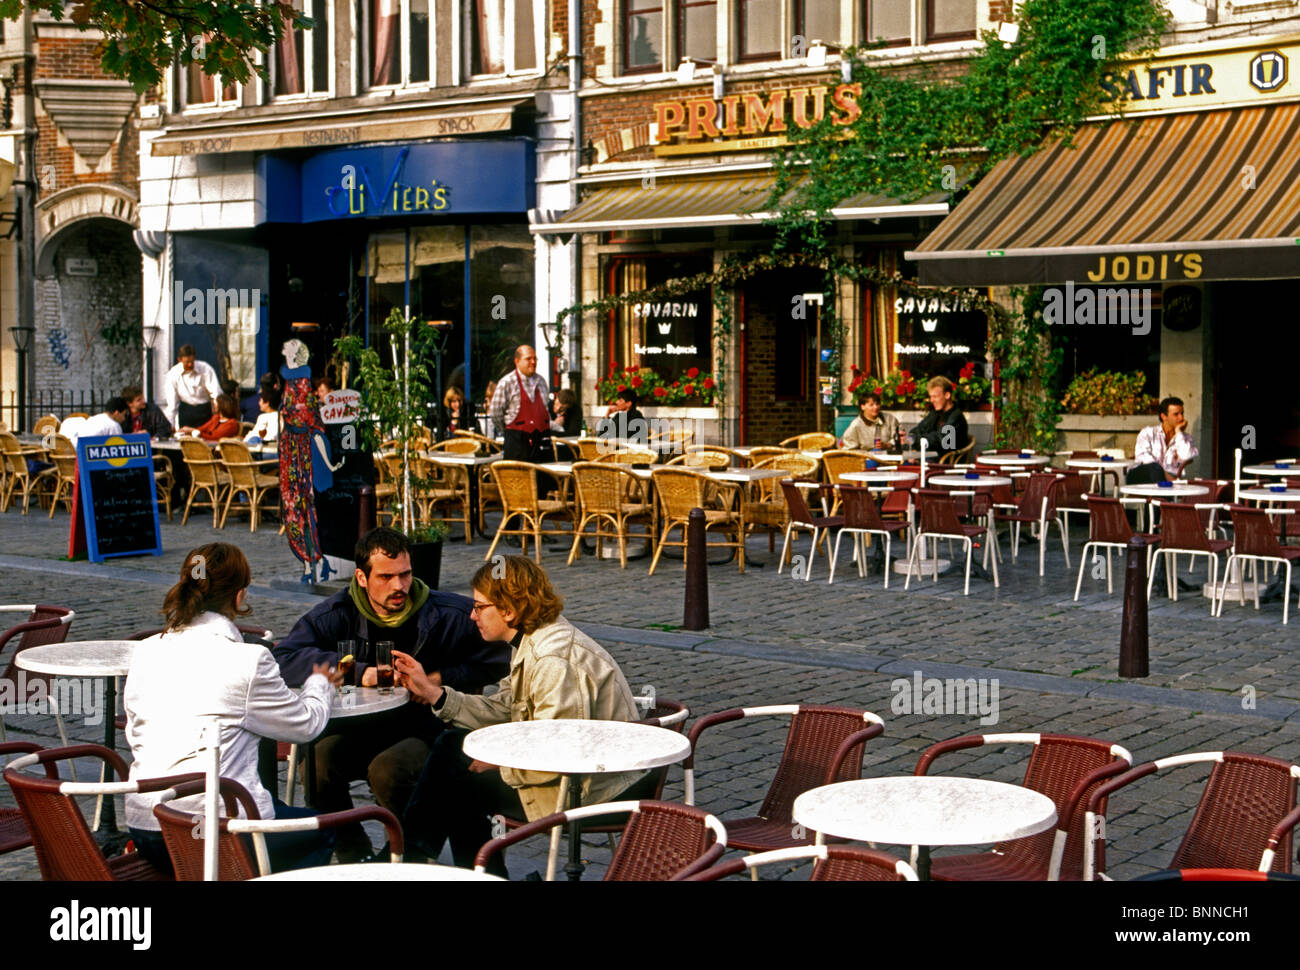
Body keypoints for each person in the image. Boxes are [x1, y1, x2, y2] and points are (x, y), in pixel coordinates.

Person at [396, 555, 648, 874]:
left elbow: (559, 753)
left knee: (461, 779)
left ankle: (413, 861)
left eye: (479, 606)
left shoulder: (552, 660)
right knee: (454, 750)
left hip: (596, 791)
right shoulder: (530, 640)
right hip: (580, 776)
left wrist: (501, 763)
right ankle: (423, 861)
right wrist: (435, 693)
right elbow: (504, 709)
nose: (472, 615)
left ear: (509, 610)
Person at [273, 527, 510, 862]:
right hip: (361, 726)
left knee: (388, 769)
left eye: (406, 574)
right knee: (318, 761)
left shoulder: (448, 613)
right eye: (386, 577)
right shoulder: (337, 613)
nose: (399, 586)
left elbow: (502, 655)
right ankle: (352, 852)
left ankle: (405, 852)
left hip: (429, 728)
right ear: (361, 577)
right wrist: (354, 671)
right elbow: (284, 658)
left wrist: (440, 680)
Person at [124, 543, 337, 875]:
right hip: (217, 833)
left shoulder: (145, 651)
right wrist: (321, 684)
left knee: (273, 807)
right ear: (239, 596)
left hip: (147, 826)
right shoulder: (248, 660)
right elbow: (306, 726)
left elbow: (135, 733)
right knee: (321, 831)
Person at [489, 345, 552, 462]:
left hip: (541, 444)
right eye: (528, 359)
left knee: (546, 479)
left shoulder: (542, 381)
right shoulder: (507, 382)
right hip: (517, 445)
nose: (533, 362)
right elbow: (495, 413)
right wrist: (509, 431)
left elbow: (545, 410)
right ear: (517, 361)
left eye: (535, 359)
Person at [1128, 396, 1198, 484]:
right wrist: (1164, 474)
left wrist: (1178, 432)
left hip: (1168, 480)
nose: (1181, 418)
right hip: (1142, 476)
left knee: (1160, 475)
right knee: (1154, 468)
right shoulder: (1148, 433)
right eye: (1176, 414)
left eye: (1182, 413)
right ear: (1164, 416)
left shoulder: (1185, 438)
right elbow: (1143, 457)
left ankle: (1163, 495)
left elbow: (1187, 456)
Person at [161, 344, 222, 430]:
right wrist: (169, 425)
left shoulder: (205, 368)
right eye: (187, 362)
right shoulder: (173, 374)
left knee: (206, 439)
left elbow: (216, 391)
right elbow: (172, 403)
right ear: (179, 360)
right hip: (186, 411)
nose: (190, 365)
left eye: (192, 361)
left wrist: (217, 407)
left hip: (204, 410)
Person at [909, 376, 969, 458]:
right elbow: (918, 430)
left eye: (935, 396)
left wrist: (916, 442)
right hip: (928, 459)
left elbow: (941, 440)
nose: (931, 400)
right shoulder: (935, 413)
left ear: (947, 395)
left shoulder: (956, 417)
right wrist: (909, 439)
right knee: (902, 466)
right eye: (930, 396)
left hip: (945, 464)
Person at [63, 397, 129, 444]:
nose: (124, 418)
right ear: (116, 413)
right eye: (124, 414)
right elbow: (119, 445)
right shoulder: (114, 425)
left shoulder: (96, 418)